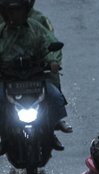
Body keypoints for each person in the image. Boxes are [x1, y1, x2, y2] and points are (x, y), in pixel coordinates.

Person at [0, 0, 71, 153]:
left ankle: (52, 128)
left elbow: (50, 43)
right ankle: (4, 136)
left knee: (54, 96)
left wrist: (52, 61)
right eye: (12, 11)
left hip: (35, 75)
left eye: (18, 10)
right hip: (8, 78)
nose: (15, 14)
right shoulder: (1, 32)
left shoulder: (36, 26)